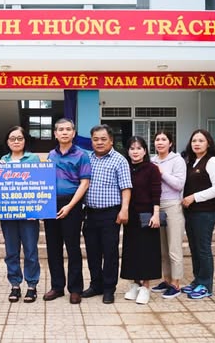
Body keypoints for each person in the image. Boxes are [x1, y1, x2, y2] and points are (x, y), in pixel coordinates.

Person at [43, 118, 91, 304]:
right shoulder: (51, 155)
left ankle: (75, 288)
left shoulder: (82, 155)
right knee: (53, 247)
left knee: (73, 248)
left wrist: (70, 206)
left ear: (73, 133)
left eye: (68, 129)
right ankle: (57, 287)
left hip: (72, 204)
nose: (64, 132)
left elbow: (84, 183)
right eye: (61, 129)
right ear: (55, 134)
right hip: (51, 204)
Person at [82, 124, 131, 304]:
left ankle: (109, 288)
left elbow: (126, 187)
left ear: (111, 141)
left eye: (103, 139)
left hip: (111, 214)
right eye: (95, 139)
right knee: (92, 252)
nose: (99, 142)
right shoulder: (87, 159)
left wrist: (124, 209)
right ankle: (96, 285)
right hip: (90, 213)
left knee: (110, 253)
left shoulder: (119, 160)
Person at [0, 126, 41, 303]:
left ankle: (31, 286)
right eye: (12, 138)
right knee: (11, 252)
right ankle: (15, 285)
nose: (16, 141)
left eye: (19, 138)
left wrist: (37, 209)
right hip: (8, 215)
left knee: (30, 251)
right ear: (7, 142)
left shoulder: (33, 159)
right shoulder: (2, 161)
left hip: (29, 215)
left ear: (25, 141)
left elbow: (40, 183)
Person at [181, 129, 215, 300]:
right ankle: (197, 280)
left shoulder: (213, 161)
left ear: (208, 143)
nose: (197, 144)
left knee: (203, 248)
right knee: (194, 247)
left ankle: (206, 285)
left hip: (205, 212)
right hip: (190, 212)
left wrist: (194, 197)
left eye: (201, 140)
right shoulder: (191, 161)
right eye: (194, 141)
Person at [121, 136, 162, 305]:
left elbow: (156, 192)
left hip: (147, 215)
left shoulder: (152, 169)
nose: (135, 152)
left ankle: (145, 287)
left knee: (147, 252)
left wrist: (156, 213)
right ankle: (135, 284)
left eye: (139, 148)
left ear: (145, 151)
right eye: (132, 148)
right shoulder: (125, 167)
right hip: (130, 215)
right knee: (131, 251)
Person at [150, 130, 186, 299]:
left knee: (174, 247)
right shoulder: (152, 160)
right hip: (156, 206)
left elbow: (179, 185)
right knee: (162, 248)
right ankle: (166, 280)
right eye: (157, 139)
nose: (160, 142)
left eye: (164, 139)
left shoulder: (177, 160)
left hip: (172, 205)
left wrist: (162, 173)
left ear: (170, 143)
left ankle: (176, 283)